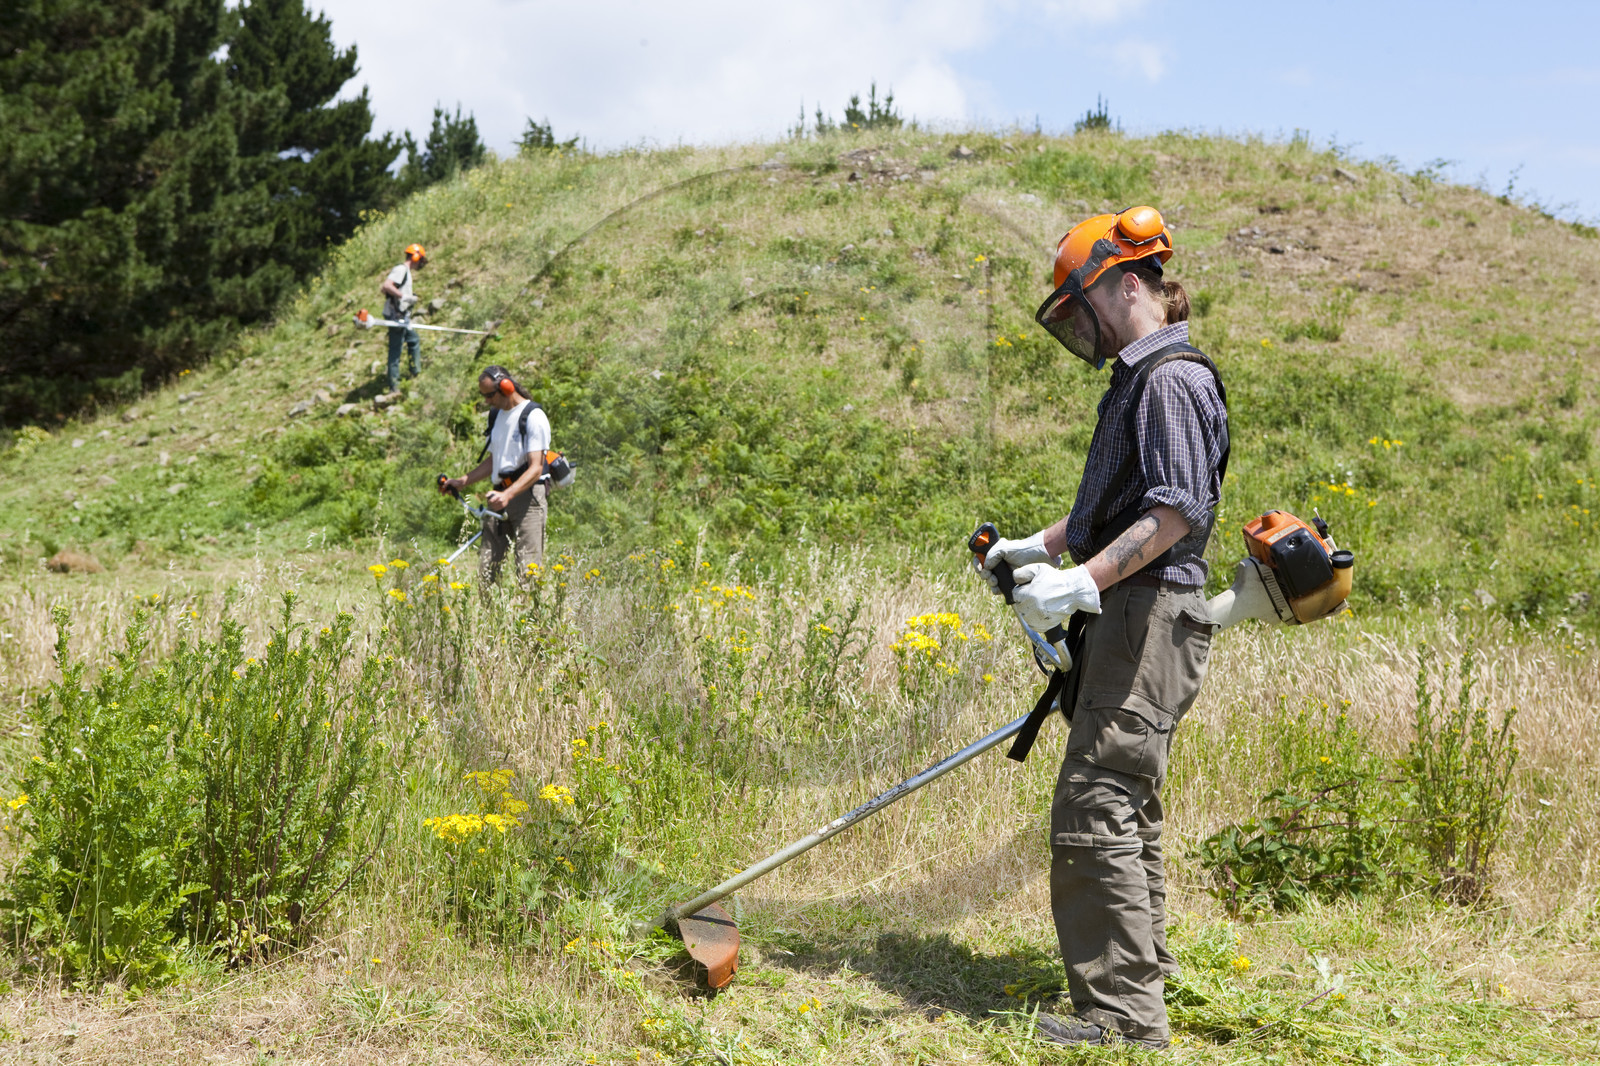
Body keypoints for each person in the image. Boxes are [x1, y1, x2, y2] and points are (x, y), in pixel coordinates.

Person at [979, 205, 1228, 1049]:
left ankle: (1124, 1020)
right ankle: (1141, 979)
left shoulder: (1171, 381)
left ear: (1127, 284)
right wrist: (1037, 549)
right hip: (1134, 611)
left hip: (1148, 613)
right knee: (1124, 799)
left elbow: (1174, 511)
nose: (1076, 330)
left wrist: (1081, 583)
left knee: (1099, 799)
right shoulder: (1139, 379)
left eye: (1078, 308)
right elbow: (1114, 507)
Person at [440, 366, 552, 584]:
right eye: (484, 396)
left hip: (527, 497)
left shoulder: (533, 416)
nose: (487, 401)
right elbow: (495, 460)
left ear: (506, 387)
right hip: (499, 496)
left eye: (490, 395)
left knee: (528, 571)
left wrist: (508, 495)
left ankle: (529, 617)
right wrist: (463, 481)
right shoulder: (497, 416)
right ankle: (491, 616)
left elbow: (536, 467)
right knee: (487, 569)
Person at [380, 243, 427, 392]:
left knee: (413, 340)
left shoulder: (405, 271)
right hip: (396, 317)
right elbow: (386, 286)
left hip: (402, 316)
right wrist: (405, 297)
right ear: (415, 257)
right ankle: (394, 385)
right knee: (396, 349)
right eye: (420, 260)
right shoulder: (401, 269)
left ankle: (415, 371)